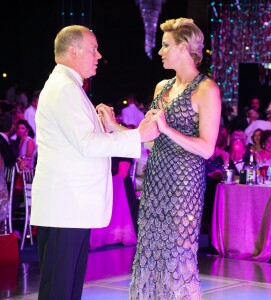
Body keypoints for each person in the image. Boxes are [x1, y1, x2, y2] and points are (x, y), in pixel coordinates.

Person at [30, 25, 159, 300]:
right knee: (60, 290)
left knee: (66, 287)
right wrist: (139, 135)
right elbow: (87, 145)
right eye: (93, 49)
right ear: (73, 51)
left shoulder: (69, 87)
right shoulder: (64, 88)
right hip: (66, 206)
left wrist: (107, 127)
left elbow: (79, 141)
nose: (98, 55)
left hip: (69, 206)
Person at [129, 18, 221, 299]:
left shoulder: (207, 90)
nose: (160, 51)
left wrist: (168, 129)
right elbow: (150, 138)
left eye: (166, 45)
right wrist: (114, 129)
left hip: (184, 186)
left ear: (183, 47)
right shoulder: (162, 87)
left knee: (177, 255)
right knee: (150, 252)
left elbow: (207, 149)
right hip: (155, 180)